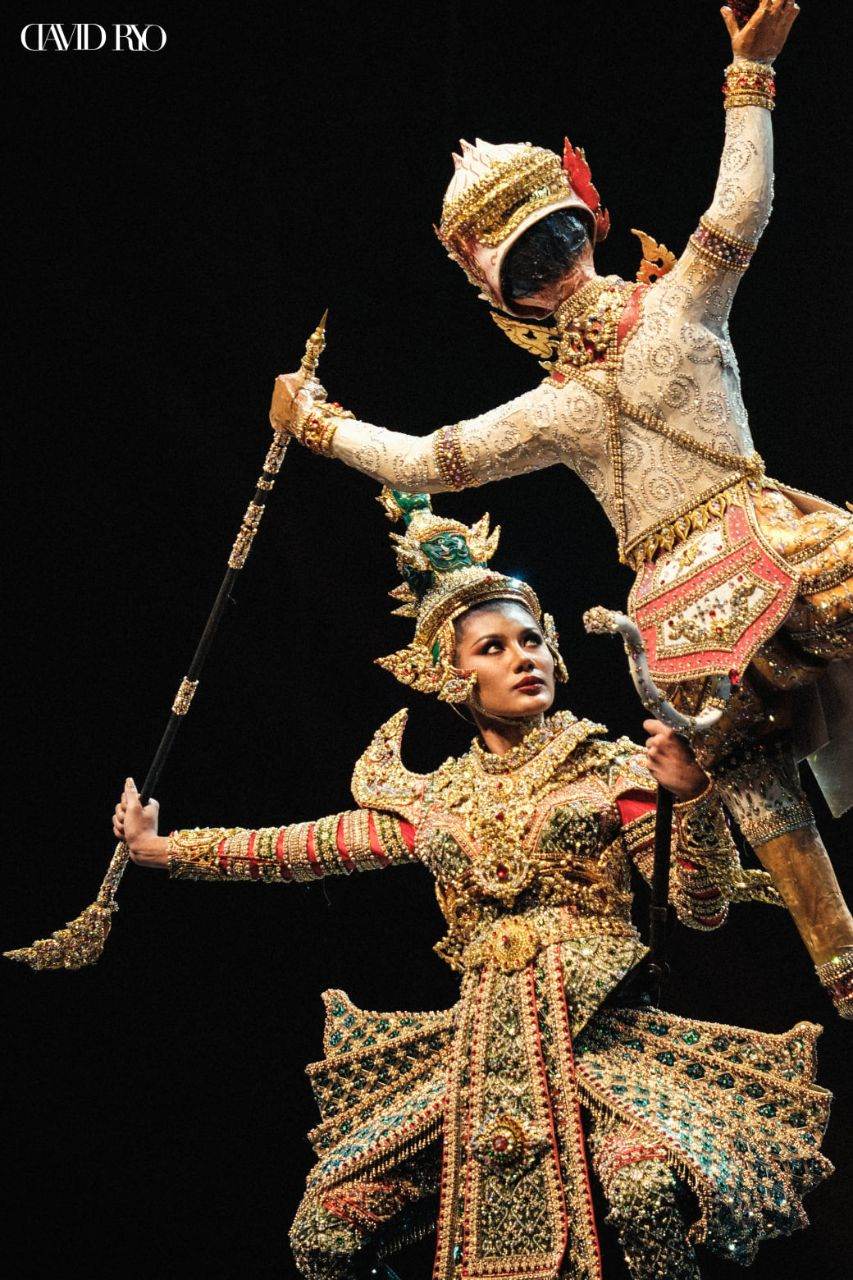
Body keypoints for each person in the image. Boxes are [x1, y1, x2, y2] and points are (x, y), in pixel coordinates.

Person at [266, 1, 853, 1016]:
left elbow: (426, 459)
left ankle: (841, 961)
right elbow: (739, 209)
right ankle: (841, 960)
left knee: (760, 786)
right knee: (761, 770)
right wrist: (746, 79)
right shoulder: (670, 312)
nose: (546, 271)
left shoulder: (567, 393)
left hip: (672, 617)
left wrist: (317, 427)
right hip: (762, 550)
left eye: (543, 251)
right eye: (535, 256)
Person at [113, 489, 830, 1280]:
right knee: (326, 1231)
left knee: (643, 1188)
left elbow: (700, 907)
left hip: (600, 1047)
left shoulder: (613, 773)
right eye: (490, 648)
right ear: (447, 678)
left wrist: (690, 796)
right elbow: (300, 848)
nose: (520, 658)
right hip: (478, 1060)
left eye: (530, 641)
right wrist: (160, 850)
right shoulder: (434, 800)